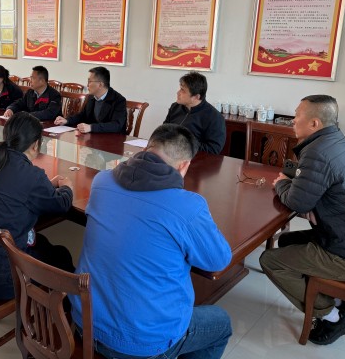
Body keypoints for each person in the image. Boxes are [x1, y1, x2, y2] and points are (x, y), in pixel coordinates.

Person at [70, 124, 232, 359]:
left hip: (84, 320)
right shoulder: (188, 206)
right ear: (184, 165)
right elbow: (218, 260)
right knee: (221, 323)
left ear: (146, 149)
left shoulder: (102, 181)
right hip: (142, 342)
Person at [259, 95, 345, 346]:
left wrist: (282, 183)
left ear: (314, 123)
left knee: (271, 261)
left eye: (297, 115)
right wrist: (309, 202)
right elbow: (310, 193)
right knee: (286, 241)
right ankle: (341, 300)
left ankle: (333, 316)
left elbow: (297, 202)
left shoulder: (318, 152)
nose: (293, 120)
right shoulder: (335, 140)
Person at [0, 111, 74, 300]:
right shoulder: (30, 175)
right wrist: (67, 187)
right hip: (2, 280)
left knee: (43, 244)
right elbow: (62, 205)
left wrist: (45, 186)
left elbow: (13, 187)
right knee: (61, 256)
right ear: (35, 144)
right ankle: (61, 313)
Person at [163, 71, 226, 154]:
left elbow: (213, 149)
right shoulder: (175, 107)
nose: (178, 93)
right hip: (169, 154)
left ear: (196, 97)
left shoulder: (214, 117)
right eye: (180, 88)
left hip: (194, 158)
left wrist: (183, 145)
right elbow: (164, 130)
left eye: (183, 90)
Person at [54, 66, 127, 134]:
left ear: (100, 85)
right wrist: (67, 120)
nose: (87, 85)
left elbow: (116, 125)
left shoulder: (119, 100)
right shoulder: (90, 97)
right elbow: (82, 115)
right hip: (93, 138)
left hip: (112, 140)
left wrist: (91, 127)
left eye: (89, 82)